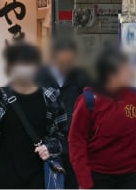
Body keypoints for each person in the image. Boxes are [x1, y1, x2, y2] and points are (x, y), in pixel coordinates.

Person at [0, 43, 68, 189]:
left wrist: (51, 147)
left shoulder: (51, 97)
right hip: (2, 178)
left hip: (40, 179)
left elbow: (63, 135)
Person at [68, 48, 136, 189]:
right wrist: (84, 180)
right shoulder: (88, 101)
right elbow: (76, 141)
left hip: (133, 175)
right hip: (99, 177)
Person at [36, 36, 92, 188]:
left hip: (74, 143)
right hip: (48, 144)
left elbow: (91, 107)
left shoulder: (82, 77)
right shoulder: (40, 77)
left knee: (71, 183)